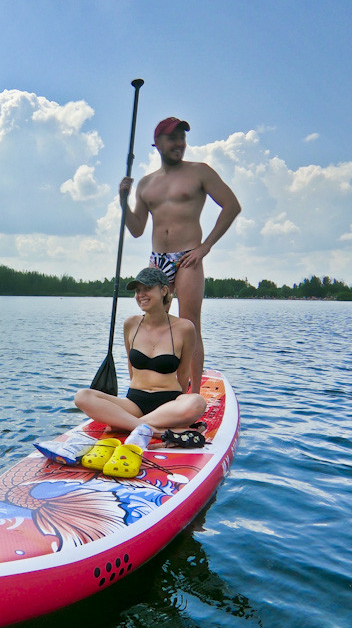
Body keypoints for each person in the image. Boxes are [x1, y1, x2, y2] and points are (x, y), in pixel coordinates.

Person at [119, 117, 241, 393]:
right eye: (172, 138)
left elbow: (232, 205)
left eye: (182, 137)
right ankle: (151, 387)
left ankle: (193, 395)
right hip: (157, 260)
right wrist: (123, 202)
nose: (179, 143)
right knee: (153, 324)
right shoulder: (147, 184)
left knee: (188, 326)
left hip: (188, 257)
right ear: (158, 143)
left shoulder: (200, 172)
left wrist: (204, 247)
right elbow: (137, 229)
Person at [73, 267, 206, 439]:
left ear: (164, 290)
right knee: (82, 396)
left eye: (147, 288)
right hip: (134, 402)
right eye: (137, 290)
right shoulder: (131, 324)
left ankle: (126, 425)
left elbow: (183, 373)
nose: (140, 294)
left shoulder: (185, 328)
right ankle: (155, 430)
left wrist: (179, 407)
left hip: (169, 402)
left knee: (197, 402)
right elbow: (131, 366)